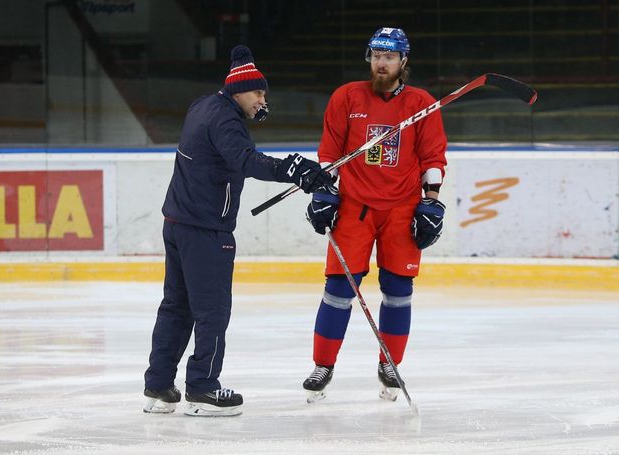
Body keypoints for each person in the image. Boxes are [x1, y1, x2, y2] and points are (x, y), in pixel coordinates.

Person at [143, 45, 332, 416]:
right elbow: (245, 160)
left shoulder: (202, 105)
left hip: (178, 223)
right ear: (240, 90)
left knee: (176, 307)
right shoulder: (226, 120)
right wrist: (292, 168)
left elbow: (225, 157)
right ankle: (203, 387)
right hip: (206, 230)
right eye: (259, 92)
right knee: (211, 310)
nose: (263, 99)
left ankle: (158, 385)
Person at [303, 27, 448, 402]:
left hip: (402, 209)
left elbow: (433, 157)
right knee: (337, 289)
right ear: (369, 58)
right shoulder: (346, 97)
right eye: (376, 55)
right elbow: (329, 152)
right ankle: (323, 365)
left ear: (403, 61)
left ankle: (390, 364)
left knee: (398, 290)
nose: (381, 63)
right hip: (354, 208)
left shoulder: (422, 104)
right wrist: (324, 191)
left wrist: (431, 200)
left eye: (389, 56)